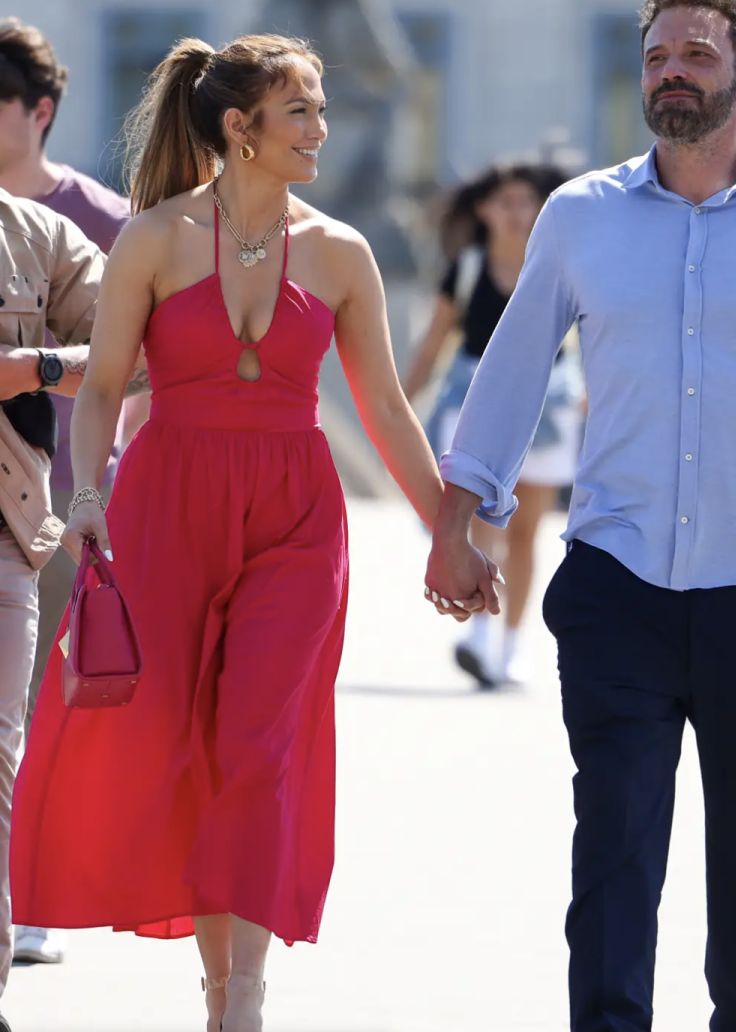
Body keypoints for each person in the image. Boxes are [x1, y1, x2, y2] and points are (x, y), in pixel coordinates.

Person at [9, 33, 496, 1032]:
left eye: (320, 110)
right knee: (192, 747)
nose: (322, 129)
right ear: (240, 128)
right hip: (164, 505)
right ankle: (215, 981)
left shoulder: (344, 252)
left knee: (262, 745)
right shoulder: (150, 238)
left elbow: (389, 413)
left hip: (296, 518)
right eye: (302, 111)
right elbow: (102, 390)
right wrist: (89, 493)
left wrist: (445, 531)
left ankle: (243, 1001)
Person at [423, 2, 736, 1030]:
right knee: (617, 834)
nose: (672, 71)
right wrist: (462, 519)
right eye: (657, 56)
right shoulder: (579, 215)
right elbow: (510, 373)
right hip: (616, 583)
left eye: (697, 55)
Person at [0, 16, 144, 966]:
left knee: (39, 714)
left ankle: (35, 890)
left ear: (40, 112)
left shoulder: (87, 221)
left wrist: (32, 367)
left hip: (47, 504)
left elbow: (139, 355)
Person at [405, 163, 584, 686]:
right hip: (473, 409)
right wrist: (398, 404)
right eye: (503, 201)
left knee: (527, 534)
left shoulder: (555, 265)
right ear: (483, 210)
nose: (514, 211)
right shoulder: (466, 268)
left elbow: (597, 333)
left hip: (548, 412)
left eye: (525, 201)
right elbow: (434, 341)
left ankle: (511, 645)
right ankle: (479, 637)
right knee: (480, 530)